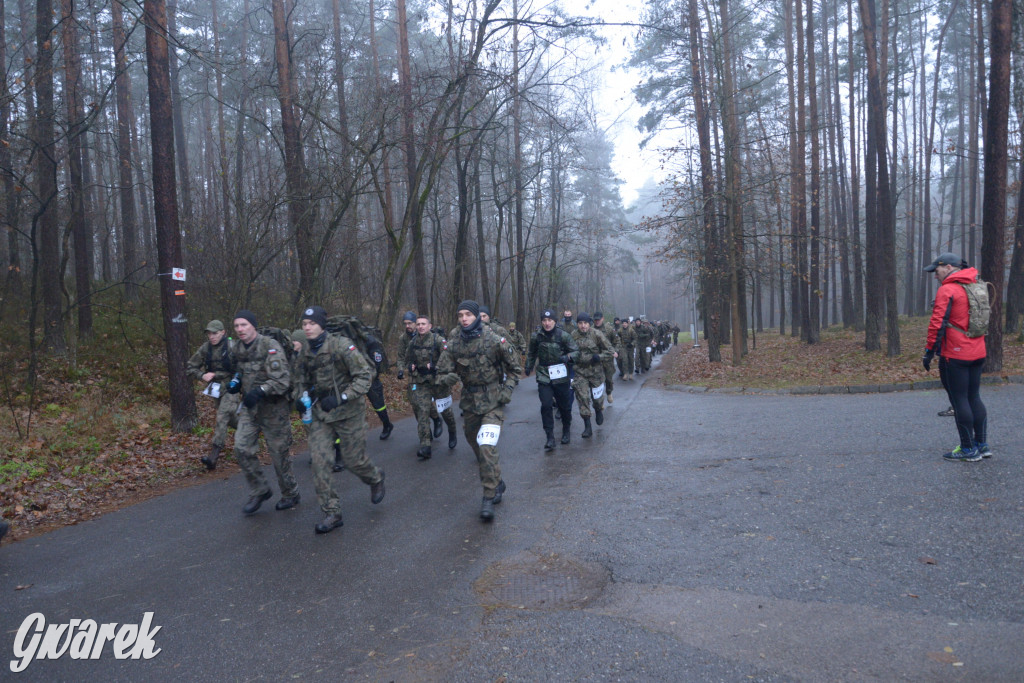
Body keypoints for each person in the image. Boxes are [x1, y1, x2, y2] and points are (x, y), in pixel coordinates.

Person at [294, 306, 386, 533]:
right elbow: (300, 380)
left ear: (321, 325)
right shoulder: (305, 351)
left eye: (311, 323)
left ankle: (374, 478)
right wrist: (300, 397)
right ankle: (332, 512)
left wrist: (342, 397)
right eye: (304, 324)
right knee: (320, 463)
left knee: (354, 461)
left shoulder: (342, 346)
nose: (307, 327)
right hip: (321, 415)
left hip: (348, 413)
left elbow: (366, 375)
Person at [437, 300, 520, 521]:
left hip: (493, 401)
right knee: (476, 445)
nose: (464, 318)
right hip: (470, 403)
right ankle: (498, 481)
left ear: (476, 316)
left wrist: (507, 391)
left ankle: (488, 496)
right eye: (460, 314)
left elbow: (515, 368)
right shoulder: (454, 344)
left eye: (468, 315)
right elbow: (440, 373)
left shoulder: (494, 340)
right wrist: (448, 378)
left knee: (486, 446)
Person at [228, 310, 301, 515]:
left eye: (244, 325)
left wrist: (260, 390)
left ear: (253, 325)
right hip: (251, 410)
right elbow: (239, 370)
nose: (240, 329)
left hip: (274, 410)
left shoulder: (270, 346)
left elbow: (282, 380)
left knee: (279, 456)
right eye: (237, 326)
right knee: (241, 447)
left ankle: (290, 493)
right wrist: (235, 382)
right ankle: (260, 490)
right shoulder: (238, 348)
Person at [922, 253, 990, 462]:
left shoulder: (948, 289)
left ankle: (968, 449)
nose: (935, 275)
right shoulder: (976, 284)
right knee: (974, 397)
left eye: (937, 270)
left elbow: (937, 324)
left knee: (959, 399)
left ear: (949, 267)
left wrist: (929, 352)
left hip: (956, 354)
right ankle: (982, 444)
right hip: (978, 351)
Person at [186, 320, 239, 470]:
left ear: (223, 332)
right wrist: (202, 375)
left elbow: (241, 369)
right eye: (209, 333)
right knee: (230, 419)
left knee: (222, 416)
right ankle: (251, 428)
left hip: (232, 387)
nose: (211, 336)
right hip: (216, 388)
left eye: (214, 333)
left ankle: (213, 457)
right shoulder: (205, 348)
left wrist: (219, 374)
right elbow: (190, 367)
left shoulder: (232, 347)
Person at [524, 309, 579, 449]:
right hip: (544, 374)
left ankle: (566, 430)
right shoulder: (537, 336)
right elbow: (531, 353)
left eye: (549, 320)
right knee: (546, 405)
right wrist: (528, 366)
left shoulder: (563, 335)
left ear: (555, 321)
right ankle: (549, 437)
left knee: (564, 406)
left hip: (560, 374)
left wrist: (567, 357)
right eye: (544, 321)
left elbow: (576, 351)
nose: (547, 323)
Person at [406, 313, 458, 458]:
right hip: (421, 382)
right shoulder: (413, 342)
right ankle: (425, 446)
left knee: (446, 411)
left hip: (438, 381)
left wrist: (436, 366)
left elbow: (449, 358)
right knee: (422, 411)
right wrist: (410, 366)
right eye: (418, 324)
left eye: (423, 324)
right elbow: (407, 359)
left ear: (430, 326)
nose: (420, 327)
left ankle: (452, 432)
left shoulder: (439, 341)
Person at [570, 313, 615, 438]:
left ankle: (598, 409)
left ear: (589, 323)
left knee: (597, 398)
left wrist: (599, 357)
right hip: (580, 372)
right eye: (580, 323)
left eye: (585, 323)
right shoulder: (573, 336)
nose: (583, 326)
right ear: (577, 324)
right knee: (582, 398)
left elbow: (610, 351)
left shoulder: (597, 334)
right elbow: (568, 350)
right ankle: (587, 426)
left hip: (595, 372)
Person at [592, 312, 619, 404]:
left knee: (608, 379)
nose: (597, 322)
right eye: (595, 320)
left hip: (607, 359)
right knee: (597, 381)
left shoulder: (609, 329)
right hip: (596, 359)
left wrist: (614, 351)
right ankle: (600, 402)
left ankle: (609, 392)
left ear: (602, 319)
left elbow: (616, 341)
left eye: (598, 320)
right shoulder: (591, 329)